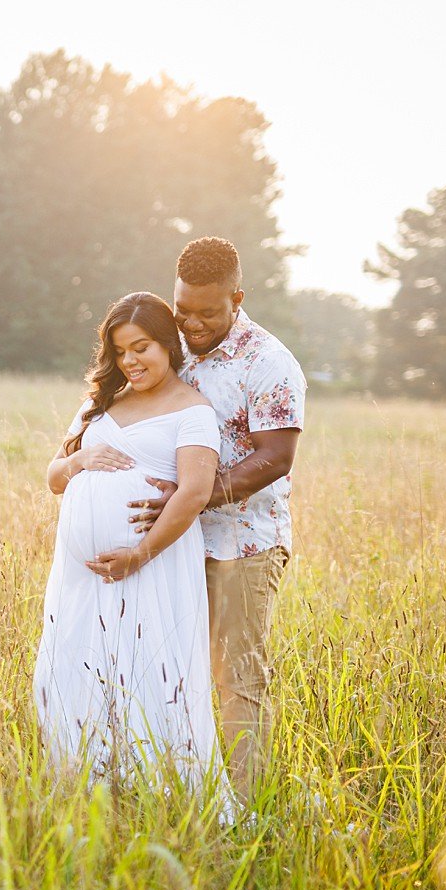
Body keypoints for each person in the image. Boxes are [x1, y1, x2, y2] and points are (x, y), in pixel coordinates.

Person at [33, 291, 233, 813]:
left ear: (168, 344)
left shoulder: (193, 411)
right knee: (80, 667)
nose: (131, 361)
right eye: (121, 351)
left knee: (147, 670)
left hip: (151, 568)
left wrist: (139, 554)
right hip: (81, 578)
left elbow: (193, 492)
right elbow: (53, 477)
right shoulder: (99, 405)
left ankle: (160, 795)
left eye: (141, 347)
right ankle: (88, 786)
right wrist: (82, 460)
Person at [128, 236, 306, 803]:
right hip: (177, 543)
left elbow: (275, 458)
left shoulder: (269, 362)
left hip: (244, 546)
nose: (192, 323)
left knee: (237, 679)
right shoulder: (173, 346)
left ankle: (244, 810)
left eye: (208, 312)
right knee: (171, 669)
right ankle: (182, 791)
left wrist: (191, 497)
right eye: (183, 309)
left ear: (238, 297)